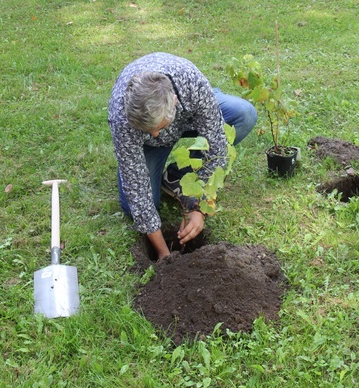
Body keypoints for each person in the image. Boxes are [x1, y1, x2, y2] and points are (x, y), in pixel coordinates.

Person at [108, 52, 257, 260]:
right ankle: (140, 163)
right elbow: (138, 194)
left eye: (158, 127)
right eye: (148, 129)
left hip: (190, 117)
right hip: (146, 143)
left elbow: (218, 147)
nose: (155, 134)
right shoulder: (123, 117)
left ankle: (181, 175)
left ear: (175, 102)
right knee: (132, 206)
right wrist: (163, 253)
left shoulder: (192, 85)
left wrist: (199, 206)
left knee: (244, 114)